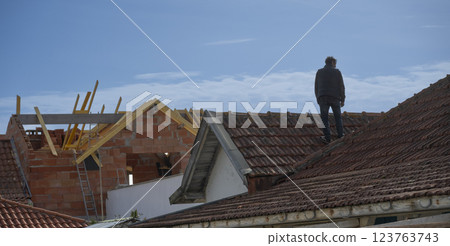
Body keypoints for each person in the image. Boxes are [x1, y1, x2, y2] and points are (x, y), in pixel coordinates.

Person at [314, 56, 345, 143]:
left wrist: (318, 98)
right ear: (332, 62)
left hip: (323, 97)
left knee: (324, 118)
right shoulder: (337, 72)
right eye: (335, 63)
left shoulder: (319, 72)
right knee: (338, 117)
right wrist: (343, 99)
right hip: (335, 97)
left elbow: (316, 87)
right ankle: (340, 135)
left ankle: (327, 137)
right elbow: (341, 86)